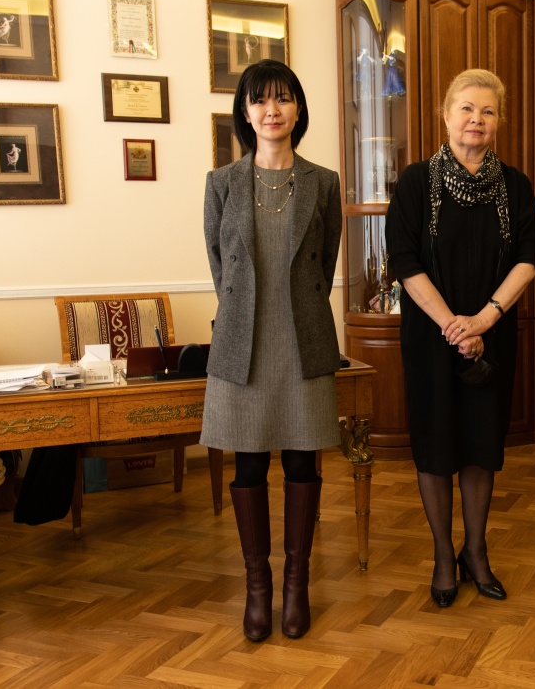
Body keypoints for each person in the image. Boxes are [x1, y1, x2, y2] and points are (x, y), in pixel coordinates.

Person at [385, 69, 535, 608]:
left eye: (488, 111)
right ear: (446, 116)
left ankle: (476, 551)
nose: (477, 119)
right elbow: (404, 261)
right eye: (467, 109)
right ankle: (442, 556)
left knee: (481, 444)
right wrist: (454, 325)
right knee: (436, 446)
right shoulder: (415, 182)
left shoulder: (516, 186)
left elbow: (528, 258)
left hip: (492, 336)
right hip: (431, 338)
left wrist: (484, 321)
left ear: (499, 121)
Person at [201, 59, 342, 642]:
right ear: (245, 112)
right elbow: (221, 267)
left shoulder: (324, 182)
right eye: (259, 100)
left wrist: (295, 308)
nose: (272, 110)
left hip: (303, 339)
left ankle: (296, 585)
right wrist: (246, 314)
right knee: (250, 465)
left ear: (299, 109)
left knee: (303, 464)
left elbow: (324, 263)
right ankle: (258, 587)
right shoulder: (221, 183)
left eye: (283, 98)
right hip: (244, 344)